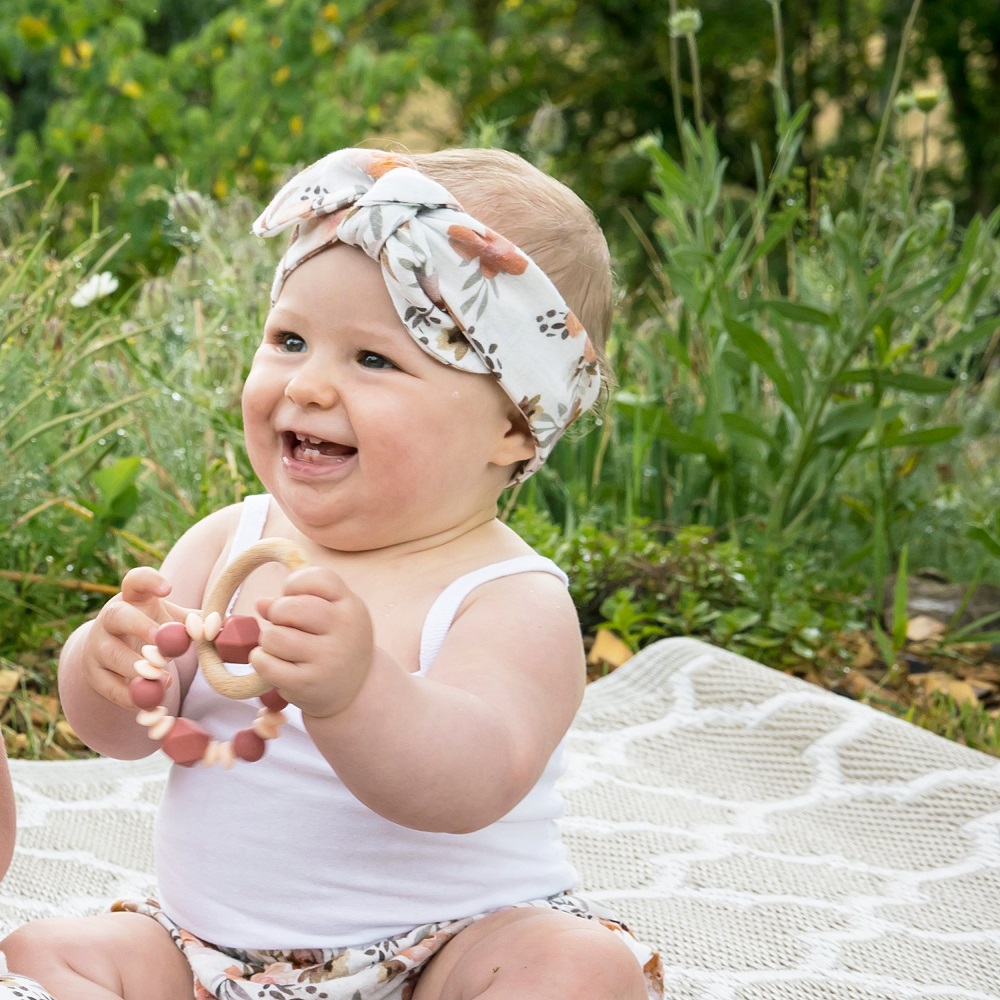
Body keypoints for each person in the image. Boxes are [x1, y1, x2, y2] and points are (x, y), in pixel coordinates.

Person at [0, 146, 664, 1000]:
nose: (307, 385)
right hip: (205, 958)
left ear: (513, 427)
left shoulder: (508, 598)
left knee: (572, 969)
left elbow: (472, 780)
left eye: (375, 360)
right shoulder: (226, 542)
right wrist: (107, 668)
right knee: (43, 953)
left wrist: (358, 694)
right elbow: (122, 735)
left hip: (437, 956)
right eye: (290, 339)